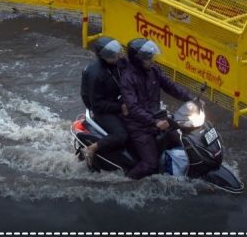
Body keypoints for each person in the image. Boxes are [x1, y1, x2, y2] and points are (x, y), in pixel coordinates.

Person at [119, 38, 193, 180]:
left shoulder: (154, 70)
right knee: (150, 164)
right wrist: (154, 122)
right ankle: (126, 182)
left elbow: (170, 86)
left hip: (158, 118)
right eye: (148, 59)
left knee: (182, 143)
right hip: (139, 126)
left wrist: (190, 98)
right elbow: (133, 107)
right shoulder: (127, 79)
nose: (151, 61)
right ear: (137, 60)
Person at [80, 36, 129, 169]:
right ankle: (92, 148)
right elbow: (97, 104)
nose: (118, 57)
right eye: (114, 56)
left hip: (119, 100)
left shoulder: (120, 62)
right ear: (104, 57)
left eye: (118, 54)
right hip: (103, 109)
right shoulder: (95, 74)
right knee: (121, 135)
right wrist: (120, 107)